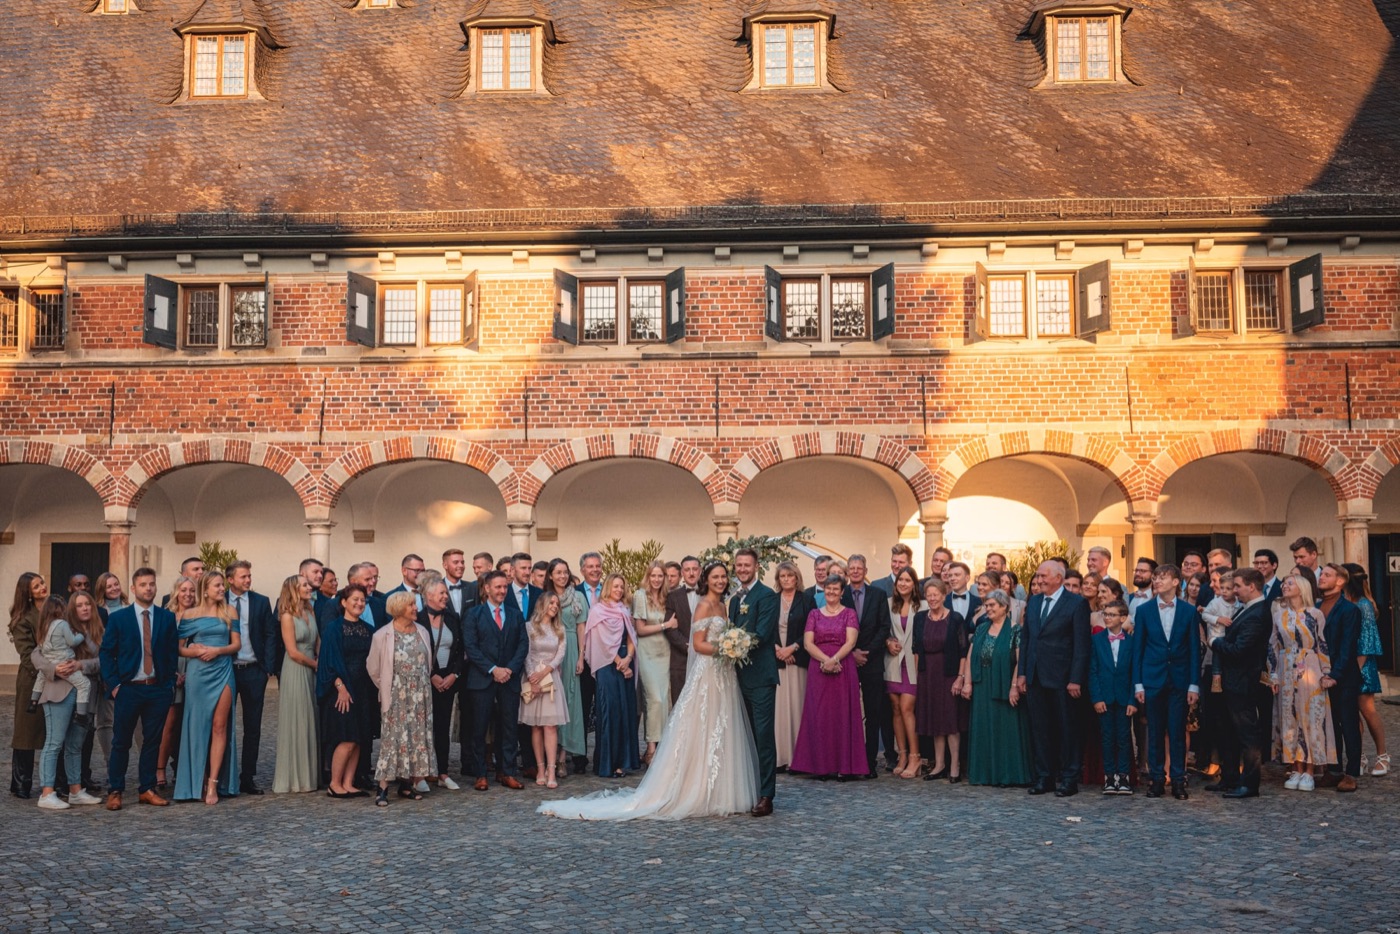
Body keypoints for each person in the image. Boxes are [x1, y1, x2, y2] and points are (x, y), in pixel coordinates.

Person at [539, 561, 759, 820]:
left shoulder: (724, 605)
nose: (720, 581)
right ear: (706, 580)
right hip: (708, 670)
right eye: (715, 577)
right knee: (699, 722)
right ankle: (694, 785)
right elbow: (698, 645)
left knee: (720, 725)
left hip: (723, 673)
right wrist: (727, 649)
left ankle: (722, 787)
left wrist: (734, 648)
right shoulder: (702, 606)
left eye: (724, 577)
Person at [100, 567, 179, 810]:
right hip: (128, 689)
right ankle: (115, 790)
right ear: (133, 589)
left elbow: (171, 653)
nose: (149, 588)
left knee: (152, 741)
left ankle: (147, 788)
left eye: (152, 584)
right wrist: (114, 686)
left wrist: (168, 686)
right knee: (121, 742)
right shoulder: (119, 618)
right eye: (143, 584)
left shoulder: (166, 618)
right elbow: (106, 653)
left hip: (157, 689)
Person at [1017, 560, 1091, 797]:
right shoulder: (1035, 601)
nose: (1038, 580)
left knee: (1067, 729)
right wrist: (1022, 673)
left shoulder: (1076, 603)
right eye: (1037, 575)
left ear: (1058, 578)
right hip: (1036, 676)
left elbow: (1081, 645)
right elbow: (1027, 640)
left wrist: (1076, 679)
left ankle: (1069, 778)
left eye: (1042, 575)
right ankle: (1044, 777)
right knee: (1040, 729)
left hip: (1063, 678)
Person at [1132, 564, 1201, 800]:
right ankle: (1157, 779)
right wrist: (1138, 684)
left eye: (1162, 578)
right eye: (1155, 578)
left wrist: (1194, 684)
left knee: (1177, 731)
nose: (1157, 581)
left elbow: (1194, 650)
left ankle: (1179, 780)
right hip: (1152, 679)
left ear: (1175, 582)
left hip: (1180, 679)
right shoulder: (1144, 611)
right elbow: (1138, 649)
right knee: (1155, 731)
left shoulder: (1189, 612)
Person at [28, 594, 101, 809]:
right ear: (71, 608)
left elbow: (105, 661)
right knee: (54, 742)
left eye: (88, 603)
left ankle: (76, 790)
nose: (85, 608)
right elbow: (36, 653)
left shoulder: (98, 632)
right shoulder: (60, 626)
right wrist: (54, 668)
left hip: (86, 695)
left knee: (75, 746)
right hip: (58, 690)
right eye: (79, 605)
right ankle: (47, 792)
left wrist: (81, 665)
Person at [173, 571, 240, 805]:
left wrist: (217, 651)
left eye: (223, 585)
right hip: (198, 673)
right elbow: (179, 648)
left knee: (220, 726)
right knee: (197, 727)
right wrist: (196, 651)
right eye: (218, 585)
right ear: (205, 589)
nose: (222, 589)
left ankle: (213, 783)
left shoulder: (230, 612)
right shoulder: (190, 614)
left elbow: (236, 645)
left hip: (223, 670)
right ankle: (196, 781)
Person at [790, 575, 865, 780]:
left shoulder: (849, 614)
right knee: (820, 716)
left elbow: (850, 642)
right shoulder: (814, 614)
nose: (831, 592)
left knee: (843, 715)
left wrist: (834, 660)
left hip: (843, 667)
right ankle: (821, 766)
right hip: (819, 667)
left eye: (835, 589)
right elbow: (807, 643)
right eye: (828, 589)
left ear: (842, 592)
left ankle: (844, 766)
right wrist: (825, 660)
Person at [1207, 569, 1271, 798]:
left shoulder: (1258, 613)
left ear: (1251, 586)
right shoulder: (1248, 609)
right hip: (1232, 681)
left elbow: (1239, 650)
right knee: (1228, 732)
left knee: (1247, 735)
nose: (1234, 590)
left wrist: (1215, 641)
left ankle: (1250, 784)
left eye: (1237, 586)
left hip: (1243, 681)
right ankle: (1230, 777)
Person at [1268, 574, 1335, 792]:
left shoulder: (1315, 614)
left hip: (1310, 667)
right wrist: (1273, 675)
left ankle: (1310, 769)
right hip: (1286, 668)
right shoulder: (1279, 615)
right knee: (1289, 718)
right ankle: (1295, 766)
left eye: (1290, 583)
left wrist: (1326, 672)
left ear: (1302, 588)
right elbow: (1273, 646)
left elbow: (1322, 644)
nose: (1285, 586)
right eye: (1284, 583)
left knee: (1311, 718)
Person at [366, 592, 434, 807]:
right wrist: (389, 686)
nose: (416, 608)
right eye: (411, 605)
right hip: (396, 694)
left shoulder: (422, 631)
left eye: (415, 604)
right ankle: (383, 786)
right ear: (398, 608)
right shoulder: (382, 635)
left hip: (420, 694)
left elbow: (427, 664)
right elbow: (373, 668)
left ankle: (407, 784)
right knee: (392, 738)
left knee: (415, 737)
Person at [462, 570, 528, 791]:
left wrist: (509, 669)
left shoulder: (515, 614)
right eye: (497, 587)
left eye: (504, 587)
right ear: (487, 589)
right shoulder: (474, 615)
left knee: (509, 727)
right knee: (479, 728)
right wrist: (492, 669)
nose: (502, 591)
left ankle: (507, 771)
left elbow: (522, 645)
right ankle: (481, 773)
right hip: (482, 680)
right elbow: (471, 647)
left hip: (509, 679)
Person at [962, 590, 1035, 787]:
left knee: (1005, 731)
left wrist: (1014, 687)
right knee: (983, 729)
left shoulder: (1015, 630)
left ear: (1005, 607)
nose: (988, 609)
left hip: (1004, 684)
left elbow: (1020, 661)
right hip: (982, 685)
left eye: (993, 605)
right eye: (987, 605)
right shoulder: (981, 629)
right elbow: (970, 657)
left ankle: (1007, 775)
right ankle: (984, 774)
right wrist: (967, 683)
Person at [731, 548, 780, 815]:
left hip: (761, 677)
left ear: (756, 566)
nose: (742, 569)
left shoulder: (768, 596)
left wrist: (733, 646)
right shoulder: (734, 599)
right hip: (738, 677)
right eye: (739, 565)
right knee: (745, 736)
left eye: (747, 565)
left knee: (762, 736)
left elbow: (762, 633)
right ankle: (748, 788)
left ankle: (766, 795)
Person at [317, 585, 375, 799]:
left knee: (359, 737)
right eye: (355, 599)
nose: (360, 603)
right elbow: (328, 660)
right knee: (346, 738)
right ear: (343, 602)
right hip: (341, 689)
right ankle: (334, 783)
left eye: (363, 600)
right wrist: (340, 687)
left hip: (364, 690)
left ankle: (349, 782)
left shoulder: (368, 629)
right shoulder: (334, 628)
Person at [224, 561, 275, 796]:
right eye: (243, 576)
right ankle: (224, 774)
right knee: (223, 724)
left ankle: (248, 777)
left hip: (254, 670)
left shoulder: (260, 601)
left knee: (252, 727)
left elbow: (269, 633)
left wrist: (266, 668)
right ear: (230, 579)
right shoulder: (219, 600)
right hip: (226, 670)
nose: (248, 580)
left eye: (249, 576)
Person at [583, 573, 640, 779]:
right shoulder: (597, 611)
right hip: (608, 665)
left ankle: (623, 762)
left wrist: (629, 658)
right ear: (608, 587)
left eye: (621, 587)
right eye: (615, 586)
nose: (619, 590)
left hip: (626, 660)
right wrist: (620, 663)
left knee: (626, 713)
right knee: (610, 713)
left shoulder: (624, 609)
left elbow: (631, 636)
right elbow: (600, 642)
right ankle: (607, 763)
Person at [843, 554, 893, 779]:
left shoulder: (878, 595)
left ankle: (870, 762)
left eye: (859, 568)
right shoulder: (839, 594)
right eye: (851, 568)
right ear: (847, 571)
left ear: (865, 570)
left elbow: (884, 627)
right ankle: (849, 761)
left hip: (872, 662)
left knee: (874, 714)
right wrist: (851, 653)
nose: (855, 571)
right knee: (848, 713)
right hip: (846, 662)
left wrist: (867, 652)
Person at [914, 577, 967, 783]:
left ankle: (954, 765)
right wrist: (920, 677)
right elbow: (916, 649)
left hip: (949, 674)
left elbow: (963, 651)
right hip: (928, 675)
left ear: (944, 596)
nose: (933, 598)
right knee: (936, 719)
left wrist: (960, 678)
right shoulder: (919, 618)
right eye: (929, 595)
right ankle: (939, 764)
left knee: (950, 720)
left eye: (936, 594)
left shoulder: (955, 618)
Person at [1316, 564, 1362, 792]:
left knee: (1348, 724)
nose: (1321, 577)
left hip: (1344, 676)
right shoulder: (1316, 606)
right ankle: (1334, 769)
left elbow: (1348, 647)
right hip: (1319, 676)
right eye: (1321, 574)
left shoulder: (1349, 610)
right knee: (1329, 725)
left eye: (1327, 575)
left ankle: (1352, 772)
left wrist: (1335, 675)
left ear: (1340, 581)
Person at [273, 575, 320, 795]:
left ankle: (310, 775)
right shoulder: (287, 616)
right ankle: (293, 777)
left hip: (312, 667)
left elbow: (317, 642)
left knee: (311, 718)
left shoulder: (311, 612)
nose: (309, 587)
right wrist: (315, 664)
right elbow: (292, 651)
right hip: (296, 668)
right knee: (298, 718)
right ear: (293, 590)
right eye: (304, 585)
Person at [1341, 563, 1388, 776]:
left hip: (1362, 665)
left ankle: (1382, 755)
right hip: (1346, 665)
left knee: (1368, 711)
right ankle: (1358, 756)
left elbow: (1368, 641)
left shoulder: (1363, 605)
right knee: (1351, 714)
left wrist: (1355, 671)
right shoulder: (1344, 602)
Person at [417, 575, 463, 790]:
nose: (446, 597)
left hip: (448, 680)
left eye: (446, 593)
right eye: (442, 593)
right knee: (423, 726)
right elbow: (416, 652)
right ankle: (423, 772)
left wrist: (454, 674)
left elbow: (460, 650)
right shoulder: (417, 620)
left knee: (442, 727)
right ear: (429, 596)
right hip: (426, 680)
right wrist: (431, 675)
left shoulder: (453, 619)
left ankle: (443, 772)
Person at [545, 559, 589, 777]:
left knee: (570, 701)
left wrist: (581, 655)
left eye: (565, 572)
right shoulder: (545, 597)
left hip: (571, 648)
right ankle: (549, 757)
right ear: (551, 575)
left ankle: (563, 756)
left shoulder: (578, 597)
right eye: (558, 572)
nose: (562, 576)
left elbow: (582, 628)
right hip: (549, 648)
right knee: (550, 701)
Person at [519, 591, 568, 789]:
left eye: (557, 603)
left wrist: (545, 672)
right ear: (543, 604)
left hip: (551, 679)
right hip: (533, 679)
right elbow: (527, 653)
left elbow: (560, 654)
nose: (555, 606)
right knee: (536, 726)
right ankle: (539, 768)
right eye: (551, 602)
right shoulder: (529, 627)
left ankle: (551, 769)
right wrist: (533, 677)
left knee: (550, 726)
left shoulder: (559, 629)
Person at [1089, 600, 1137, 795]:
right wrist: (1096, 698)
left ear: (1123, 618)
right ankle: (1109, 777)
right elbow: (1092, 671)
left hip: (1125, 696)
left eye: (1112, 614)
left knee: (1124, 737)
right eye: (1105, 614)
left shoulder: (1132, 641)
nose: (1107, 617)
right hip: (1105, 696)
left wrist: (1133, 700)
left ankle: (1124, 776)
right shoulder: (1097, 640)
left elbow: (1136, 672)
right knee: (1107, 737)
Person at [632, 561, 676, 765]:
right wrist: (665, 624)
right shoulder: (640, 596)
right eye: (654, 576)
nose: (657, 580)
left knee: (665, 699)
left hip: (665, 651)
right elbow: (640, 629)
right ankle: (650, 748)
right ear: (648, 577)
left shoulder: (669, 597)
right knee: (654, 700)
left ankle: (663, 746)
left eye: (660, 576)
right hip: (647, 652)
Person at [9, 572, 48, 800]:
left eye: (41, 583)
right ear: (27, 592)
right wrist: (49, 667)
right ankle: (21, 782)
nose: (42, 587)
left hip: (57, 679)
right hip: (32, 679)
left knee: (53, 732)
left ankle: (56, 781)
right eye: (36, 586)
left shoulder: (55, 608)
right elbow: (27, 654)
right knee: (26, 732)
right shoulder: (23, 618)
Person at [772, 560, 813, 771]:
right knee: (779, 710)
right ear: (778, 580)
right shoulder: (772, 600)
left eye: (790, 576)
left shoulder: (807, 600)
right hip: (777, 660)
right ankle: (780, 758)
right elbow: (766, 627)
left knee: (797, 706)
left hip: (798, 661)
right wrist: (779, 649)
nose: (786, 579)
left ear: (797, 578)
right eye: (782, 576)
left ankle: (798, 759)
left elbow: (810, 629)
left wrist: (793, 648)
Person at [29, 593, 93, 726]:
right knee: (84, 684)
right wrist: (81, 635)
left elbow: (40, 647)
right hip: (64, 663)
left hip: (50, 661)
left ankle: (33, 701)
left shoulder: (44, 625)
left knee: (41, 677)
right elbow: (72, 641)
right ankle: (81, 714)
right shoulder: (62, 624)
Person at [157, 577, 196, 790]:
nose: (188, 594)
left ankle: (184, 768)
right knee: (169, 724)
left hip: (195, 670)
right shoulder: (166, 616)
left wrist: (190, 673)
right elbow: (159, 646)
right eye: (184, 590)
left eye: (192, 590)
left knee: (189, 724)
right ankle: (160, 768)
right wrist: (174, 672)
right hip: (170, 669)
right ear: (176, 592)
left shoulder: (200, 614)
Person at [884, 567, 923, 778]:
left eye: (908, 580)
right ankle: (903, 754)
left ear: (914, 584)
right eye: (900, 580)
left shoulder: (924, 605)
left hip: (913, 662)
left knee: (908, 707)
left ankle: (916, 756)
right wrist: (887, 641)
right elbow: (882, 629)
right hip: (893, 662)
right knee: (896, 708)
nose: (903, 583)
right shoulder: (889, 604)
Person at [663, 555, 701, 703]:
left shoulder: (711, 594)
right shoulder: (672, 597)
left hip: (706, 658)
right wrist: (688, 647)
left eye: (694, 569)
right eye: (687, 570)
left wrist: (702, 647)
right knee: (681, 705)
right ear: (682, 574)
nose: (691, 573)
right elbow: (670, 628)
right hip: (680, 660)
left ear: (700, 571)